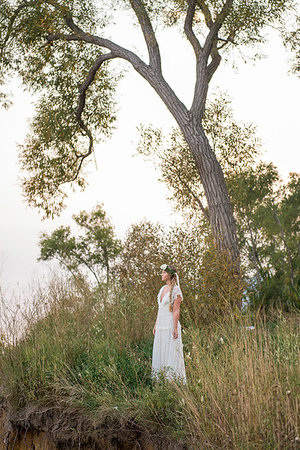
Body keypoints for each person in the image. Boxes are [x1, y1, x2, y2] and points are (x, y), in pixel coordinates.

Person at [151, 263, 187, 384]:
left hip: (170, 326)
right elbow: (160, 309)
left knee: (171, 353)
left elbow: (176, 310)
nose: (162, 274)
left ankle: (173, 382)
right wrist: (156, 324)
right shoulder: (162, 289)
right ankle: (160, 381)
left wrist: (175, 328)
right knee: (161, 352)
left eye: (164, 273)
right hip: (161, 325)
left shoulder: (176, 289)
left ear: (170, 275)